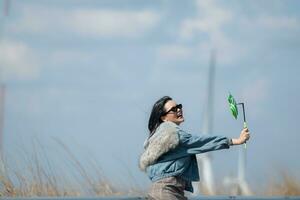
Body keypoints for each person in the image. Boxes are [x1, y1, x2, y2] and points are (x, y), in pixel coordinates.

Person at [139, 96, 250, 200]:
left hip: (164, 191)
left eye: (179, 106)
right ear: (163, 117)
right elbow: (200, 142)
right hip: (167, 192)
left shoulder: (159, 134)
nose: (179, 110)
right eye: (174, 109)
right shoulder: (173, 133)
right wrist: (235, 141)